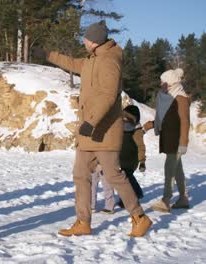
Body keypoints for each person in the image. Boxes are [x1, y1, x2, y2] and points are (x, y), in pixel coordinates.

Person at [45, 20, 152, 237]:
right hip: (88, 133)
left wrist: (91, 122)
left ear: (93, 41)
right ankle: (83, 221)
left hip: (103, 131)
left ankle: (140, 217)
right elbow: (75, 64)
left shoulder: (109, 61)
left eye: (85, 38)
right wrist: (50, 55)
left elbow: (108, 95)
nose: (83, 41)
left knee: (113, 176)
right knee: (80, 175)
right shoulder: (92, 59)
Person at [143, 68, 190, 213]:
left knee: (169, 168)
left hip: (176, 139)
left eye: (163, 82)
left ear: (171, 83)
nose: (160, 84)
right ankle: (183, 198)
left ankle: (166, 199)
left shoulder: (180, 98)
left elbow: (185, 121)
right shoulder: (165, 97)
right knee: (177, 169)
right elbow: (162, 117)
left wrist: (183, 143)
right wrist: (150, 125)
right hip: (168, 137)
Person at [117, 105, 146, 208]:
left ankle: (137, 193)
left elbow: (141, 146)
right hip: (121, 157)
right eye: (123, 116)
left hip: (131, 158)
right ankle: (124, 199)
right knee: (123, 179)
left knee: (127, 177)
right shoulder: (119, 127)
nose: (124, 119)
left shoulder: (136, 131)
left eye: (127, 117)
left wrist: (142, 161)